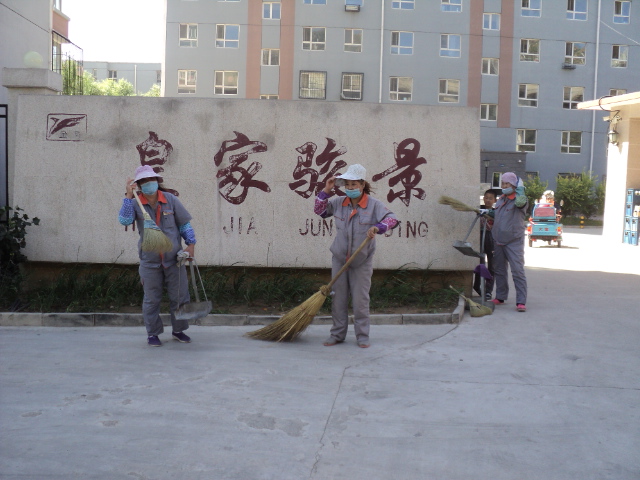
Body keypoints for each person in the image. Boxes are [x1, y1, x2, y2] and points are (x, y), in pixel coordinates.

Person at [314, 164, 398, 348]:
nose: (350, 188)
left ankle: (362, 336)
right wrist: (326, 190)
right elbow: (320, 211)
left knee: (360, 300)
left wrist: (378, 227)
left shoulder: (374, 205)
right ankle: (337, 334)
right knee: (338, 299)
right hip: (339, 259)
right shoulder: (338, 203)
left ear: (362, 184)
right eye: (347, 185)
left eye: (354, 184)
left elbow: (392, 219)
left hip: (361, 261)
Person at [118, 165, 197, 346]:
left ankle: (178, 330)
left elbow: (184, 224)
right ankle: (153, 334)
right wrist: (128, 196)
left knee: (180, 297)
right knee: (152, 300)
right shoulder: (135, 203)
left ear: (157, 181)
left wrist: (191, 245)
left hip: (174, 259)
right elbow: (124, 220)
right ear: (139, 185)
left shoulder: (170, 200)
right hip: (150, 261)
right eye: (144, 181)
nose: (149, 183)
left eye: (151, 180)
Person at [490, 172, 528, 312]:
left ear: (514, 185)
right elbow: (498, 215)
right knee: (499, 270)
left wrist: (520, 189)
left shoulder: (520, 199)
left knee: (517, 270)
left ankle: (521, 301)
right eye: (503, 183)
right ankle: (500, 296)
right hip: (498, 239)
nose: (504, 186)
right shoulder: (501, 199)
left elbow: (520, 204)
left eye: (507, 184)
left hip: (514, 241)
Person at [473, 189, 498, 300]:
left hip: (492, 238)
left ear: (495, 200)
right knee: (480, 264)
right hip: (479, 237)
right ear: (483, 198)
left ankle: (488, 291)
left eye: (490, 198)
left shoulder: (496, 212)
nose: (488, 200)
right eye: (486, 198)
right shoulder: (478, 209)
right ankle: (476, 287)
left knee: (492, 266)